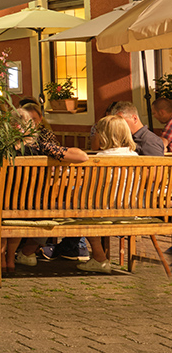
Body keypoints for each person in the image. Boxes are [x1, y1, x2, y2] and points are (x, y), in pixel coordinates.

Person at [3, 106, 88, 271]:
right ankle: (23, 253)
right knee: (43, 209)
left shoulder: (4, 150)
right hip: (38, 207)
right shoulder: (42, 147)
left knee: (1, 208)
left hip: (8, 208)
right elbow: (82, 156)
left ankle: (4, 259)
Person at [76, 115, 139, 274]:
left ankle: (99, 258)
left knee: (82, 211)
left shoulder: (100, 158)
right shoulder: (135, 156)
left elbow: (90, 189)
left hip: (105, 212)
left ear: (103, 135)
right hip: (132, 212)